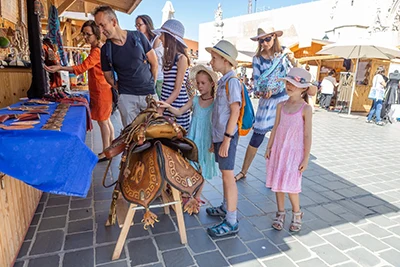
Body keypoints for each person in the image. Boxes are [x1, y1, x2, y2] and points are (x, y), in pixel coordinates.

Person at [44, 20, 114, 162]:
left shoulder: (96, 51)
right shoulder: (100, 48)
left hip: (101, 91)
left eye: (88, 34)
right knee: (106, 121)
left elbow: (82, 68)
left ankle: (107, 151)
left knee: (103, 122)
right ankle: (111, 148)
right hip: (102, 89)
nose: (86, 38)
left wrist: (60, 68)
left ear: (96, 34)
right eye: (84, 34)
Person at [235, 26, 296, 182]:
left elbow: (297, 73)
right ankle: (244, 170)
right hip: (266, 102)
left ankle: (277, 175)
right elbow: (256, 82)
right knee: (257, 137)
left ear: (274, 37)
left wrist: (293, 59)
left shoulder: (283, 53)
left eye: (267, 38)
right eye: (261, 40)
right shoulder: (257, 58)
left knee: (280, 139)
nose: (264, 43)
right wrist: (262, 92)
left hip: (283, 100)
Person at [158, 64, 219, 200]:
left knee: (202, 167)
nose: (200, 86)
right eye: (198, 83)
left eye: (203, 83)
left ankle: (197, 196)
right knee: (190, 165)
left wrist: (215, 141)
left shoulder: (215, 103)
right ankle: (188, 191)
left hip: (206, 139)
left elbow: (216, 124)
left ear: (211, 84)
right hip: (193, 137)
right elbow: (180, 111)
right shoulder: (195, 100)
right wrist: (168, 106)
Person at [265, 67, 313, 233]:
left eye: (294, 84)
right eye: (288, 82)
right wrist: (269, 146)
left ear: (304, 88)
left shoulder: (306, 109)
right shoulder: (281, 105)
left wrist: (306, 158)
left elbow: (307, 135)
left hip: (294, 153)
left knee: (292, 186)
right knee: (278, 184)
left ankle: (297, 213)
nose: (290, 86)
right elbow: (275, 127)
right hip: (279, 150)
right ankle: (280, 212)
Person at [93, 6, 158, 127]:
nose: (101, 30)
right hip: (127, 99)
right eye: (98, 27)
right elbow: (108, 76)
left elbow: (154, 62)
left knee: (155, 134)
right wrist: (121, 89)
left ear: (114, 22)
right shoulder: (106, 49)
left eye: (102, 25)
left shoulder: (138, 36)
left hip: (148, 95)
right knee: (132, 138)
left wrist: (151, 84)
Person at [204, 40, 241, 237]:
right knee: (224, 175)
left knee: (228, 176)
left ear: (225, 60)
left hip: (227, 137)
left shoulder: (232, 82)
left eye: (214, 58)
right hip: (220, 137)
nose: (211, 62)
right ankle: (226, 207)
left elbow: (235, 111)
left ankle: (232, 220)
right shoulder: (223, 81)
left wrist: (226, 139)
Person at [153, 19, 191, 130]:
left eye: (163, 35)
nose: (160, 38)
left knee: (177, 138)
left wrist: (162, 107)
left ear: (172, 38)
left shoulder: (182, 58)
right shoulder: (168, 57)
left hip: (177, 105)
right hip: (166, 101)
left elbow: (177, 89)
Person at [135, 15, 164, 98]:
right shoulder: (140, 41)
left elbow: (154, 58)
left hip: (158, 78)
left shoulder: (156, 39)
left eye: (139, 25)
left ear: (147, 25)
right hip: (147, 78)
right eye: (136, 25)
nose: (137, 27)